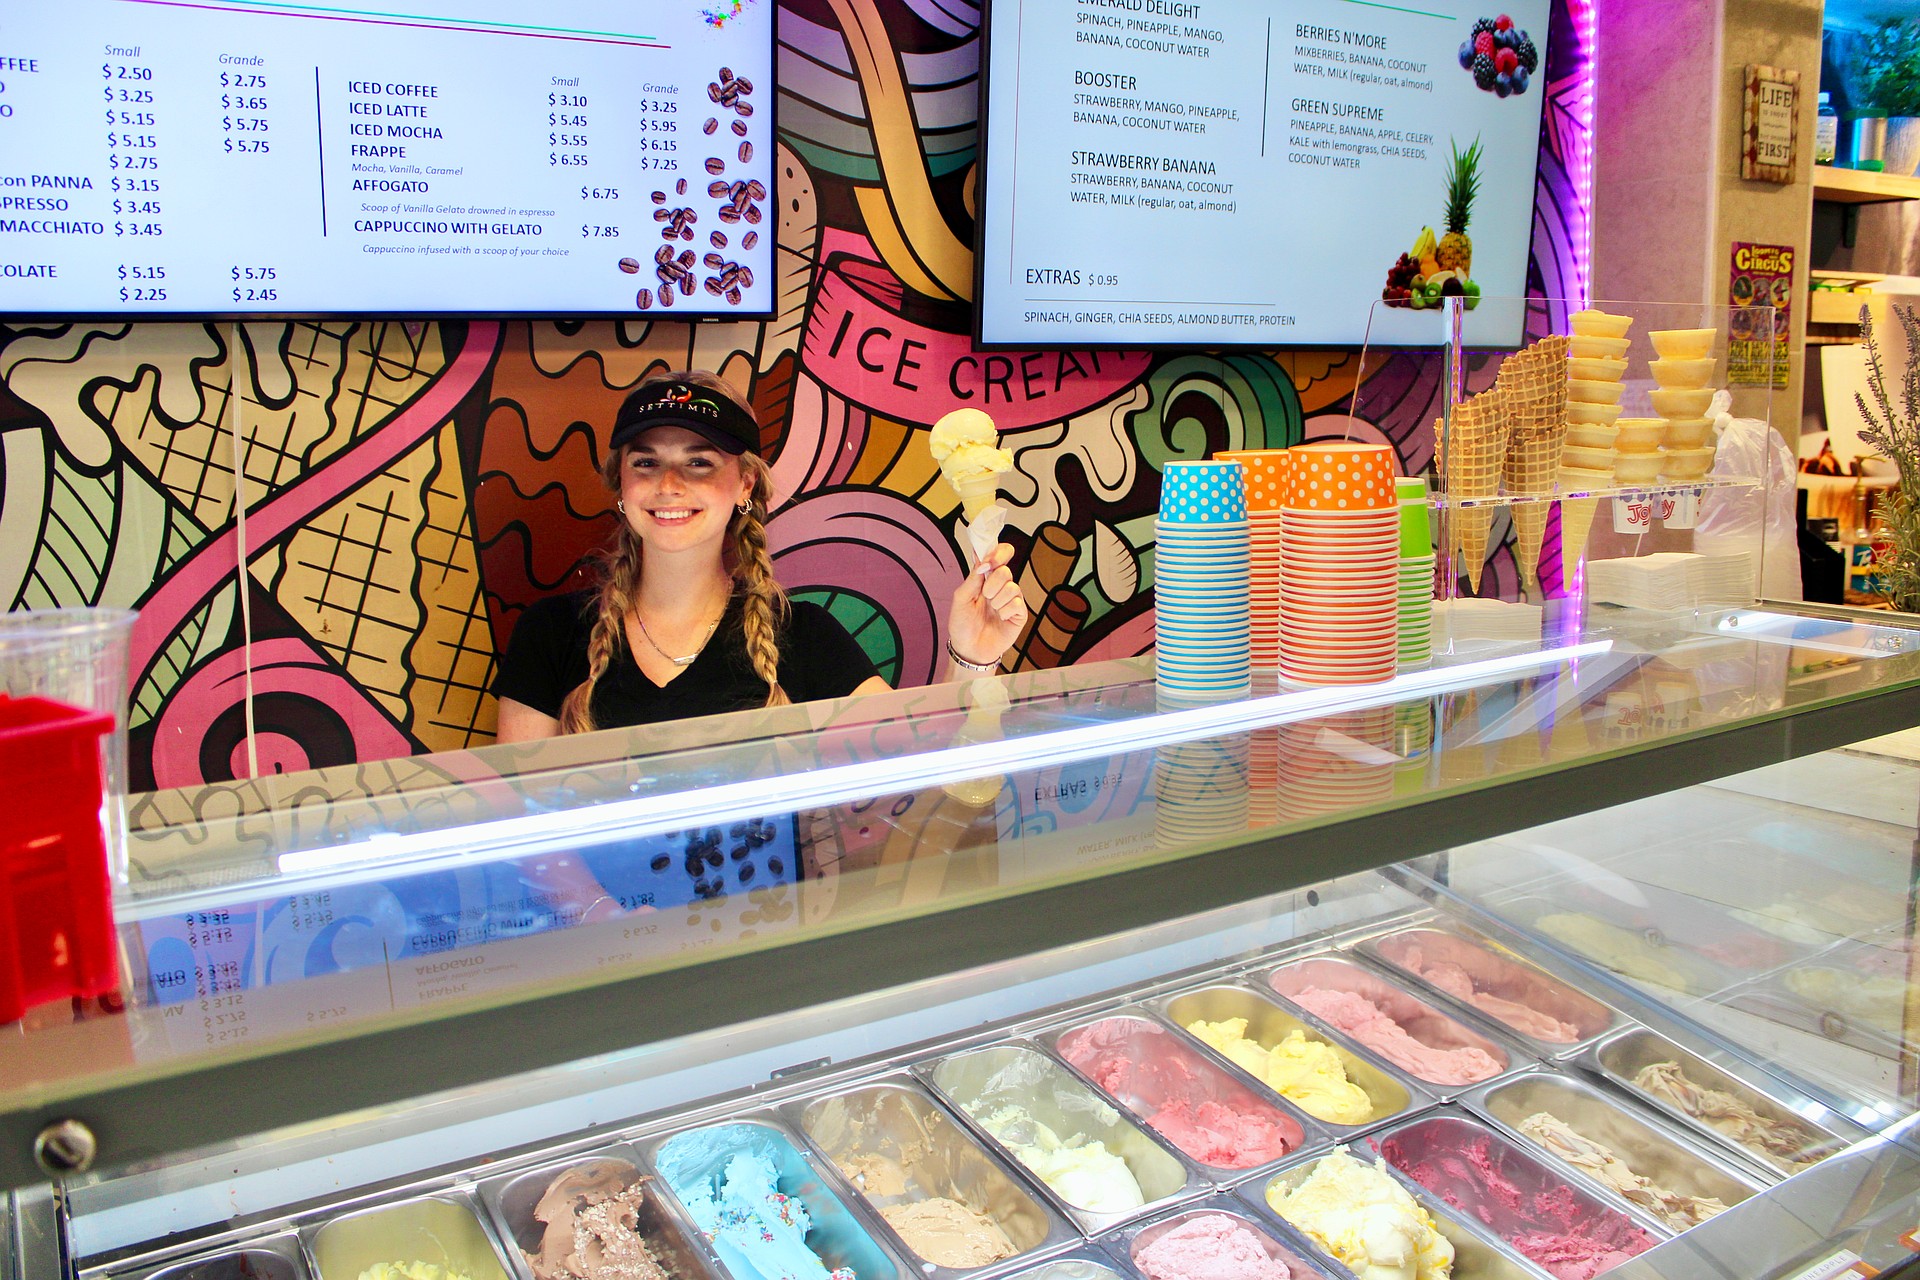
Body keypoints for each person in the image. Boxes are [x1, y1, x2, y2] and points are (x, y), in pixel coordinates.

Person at [494, 371, 1026, 741]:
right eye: (646, 462)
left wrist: (972, 658)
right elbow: (518, 822)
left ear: (745, 483)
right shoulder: (551, 634)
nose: (669, 485)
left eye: (699, 462)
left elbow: (919, 762)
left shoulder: (804, 635)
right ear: (621, 483)